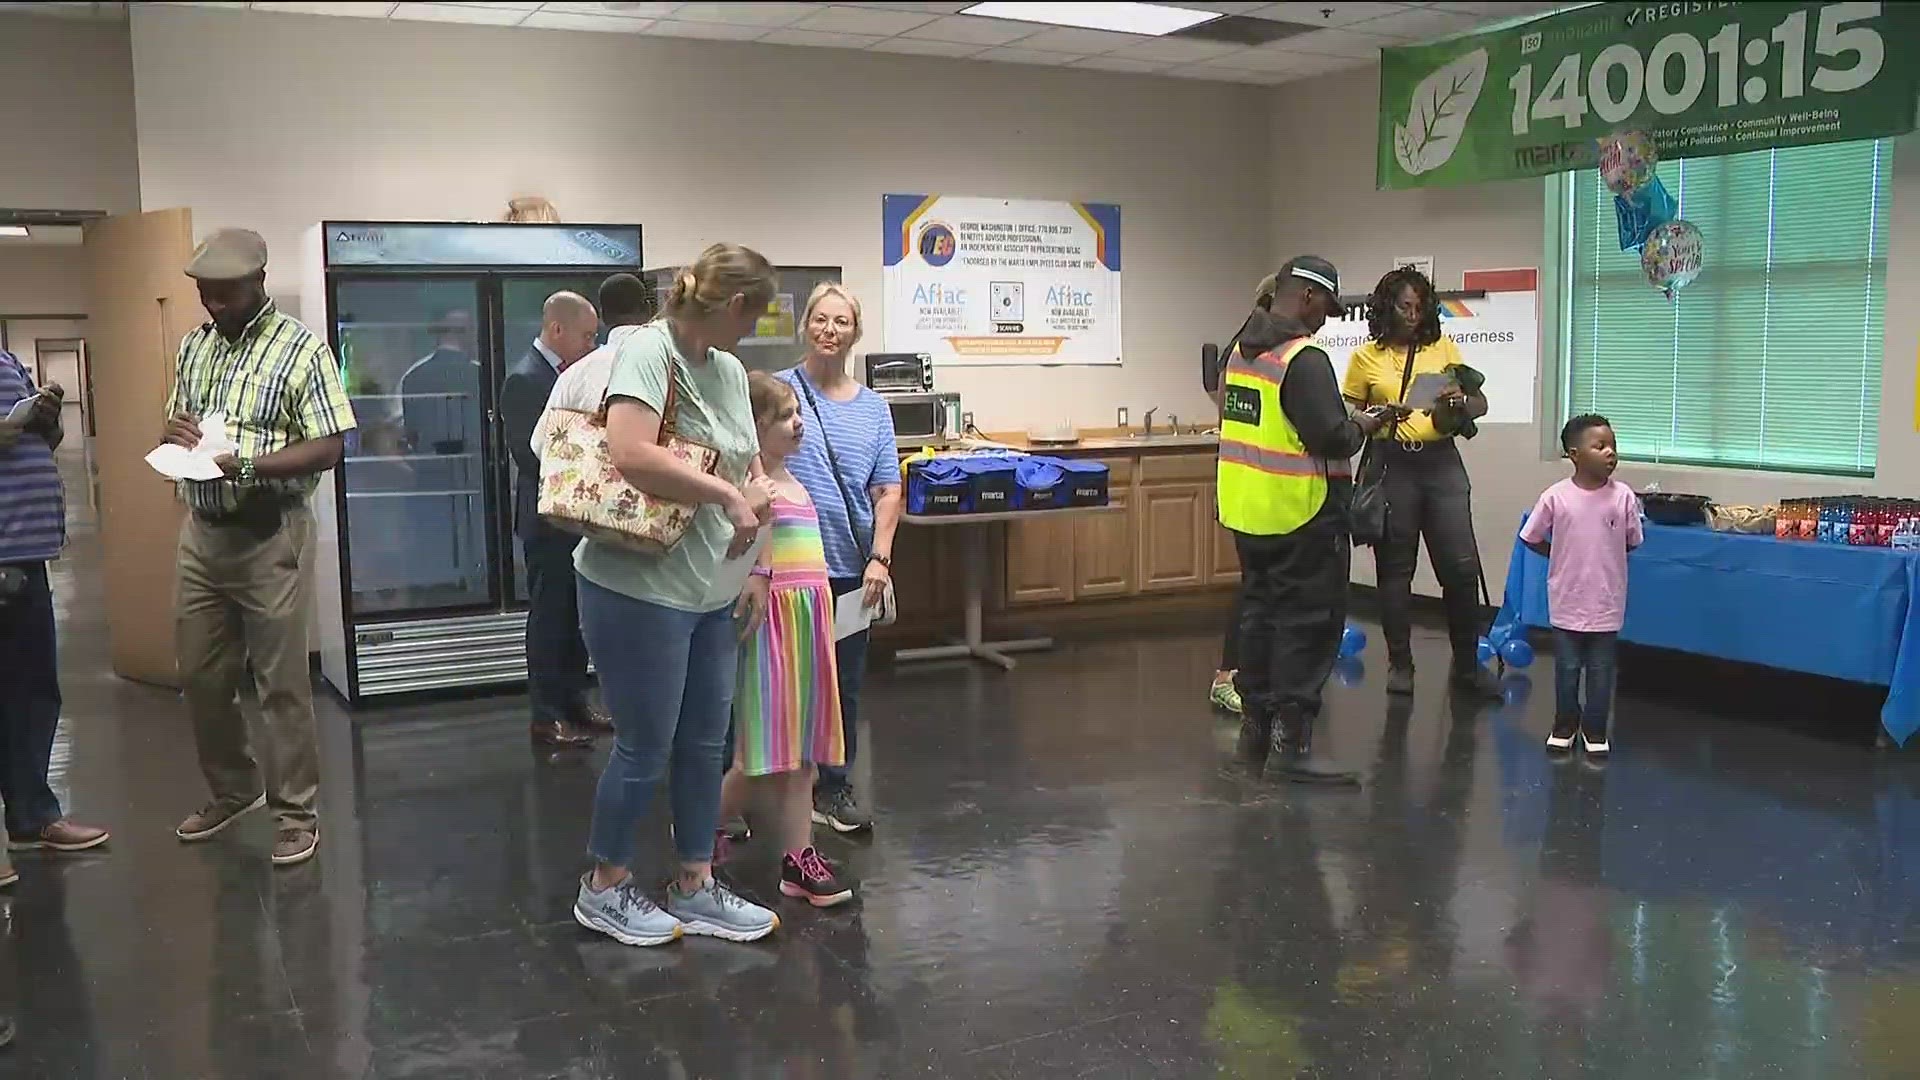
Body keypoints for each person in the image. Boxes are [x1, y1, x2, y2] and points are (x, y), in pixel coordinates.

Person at [570, 243, 782, 947]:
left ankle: (695, 882)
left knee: (703, 741)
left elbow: (751, 467)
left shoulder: (724, 371)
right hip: (639, 585)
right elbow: (631, 452)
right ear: (731, 306)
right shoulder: (647, 354)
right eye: (754, 314)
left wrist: (757, 567)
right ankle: (603, 887)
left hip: (709, 589)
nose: (752, 330)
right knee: (645, 744)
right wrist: (726, 493)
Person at [166, 228, 357, 866]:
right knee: (201, 675)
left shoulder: (301, 350)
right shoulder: (194, 346)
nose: (212, 306)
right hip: (202, 534)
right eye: (204, 295)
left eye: (225, 294)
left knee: (279, 683)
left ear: (258, 283)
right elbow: (180, 418)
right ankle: (234, 788)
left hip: (269, 531)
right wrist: (175, 431)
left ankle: (295, 812)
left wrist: (245, 466)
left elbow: (330, 443)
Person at [1217, 257, 1394, 784]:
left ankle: (1254, 740)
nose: (1327, 321)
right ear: (1309, 298)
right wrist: (1361, 423)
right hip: (1301, 514)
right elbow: (1331, 438)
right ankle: (1292, 749)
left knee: (1259, 620)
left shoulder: (1241, 349)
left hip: (1248, 510)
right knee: (1306, 627)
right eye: (1328, 309)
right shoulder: (1304, 358)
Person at [718, 373, 853, 907]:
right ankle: (704, 824)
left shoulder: (796, 482)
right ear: (753, 428)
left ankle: (799, 859)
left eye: (797, 413)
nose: (797, 424)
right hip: (770, 626)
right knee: (761, 756)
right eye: (784, 416)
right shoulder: (753, 490)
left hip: (808, 625)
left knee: (803, 755)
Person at [776, 283, 900, 835]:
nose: (830, 330)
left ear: (856, 332)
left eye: (841, 322)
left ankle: (834, 786)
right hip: (784, 568)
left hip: (852, 568)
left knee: (841, 684)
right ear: (806, 325)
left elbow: (888, 489)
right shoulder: (778, 393)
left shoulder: (874, 409)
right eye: (821, 320)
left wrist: (880, 558)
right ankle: (769, 789)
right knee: (779, 682)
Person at [1342, 266, 1496, 698]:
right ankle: (1400, 665)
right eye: (1403, 306)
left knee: (1461, 569)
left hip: (1441, 464)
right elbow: (1347, 412)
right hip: (1393, 465)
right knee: (1395, 571)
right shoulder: (1365, 357)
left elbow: (1477, 402)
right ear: (1386, 307)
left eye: (1419, 307)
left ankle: (1466, 668)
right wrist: (1376, 417)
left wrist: (1459, 401)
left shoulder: (1442, 346)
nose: (1412, 315)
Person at [0, 353, 109, 864]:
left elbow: (42, 444)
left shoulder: (7, 361)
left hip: (27, 552)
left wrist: (45, 420)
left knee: (34, 693)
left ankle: (31, 817)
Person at [500, 291, 605, 748]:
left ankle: (574, 702)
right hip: (546, 519)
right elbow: (529, 454)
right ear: (557, 330)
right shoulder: (526, 379)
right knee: (548, 617)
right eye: (586, 335)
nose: (591, 343)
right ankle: (545, 714)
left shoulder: (576, 375)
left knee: (574, 616)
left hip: (578, 515)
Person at [1519, 415, 1640, 757]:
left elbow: (1631, 540)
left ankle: (1596, 729)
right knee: (1567, 669)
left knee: (1601, 671)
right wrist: (1559, 554)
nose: (1610, 453)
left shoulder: (1624, 497)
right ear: (1574, 454)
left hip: (1606, 602)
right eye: (1600, 446)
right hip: (1567, 600)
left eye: (1613, 446)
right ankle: (1565, 724)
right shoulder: (1556, 497)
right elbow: (1531, 536)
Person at [1210, 272, 1278, 716]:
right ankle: (1228, 676)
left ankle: (1254, 675)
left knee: (1265, 588)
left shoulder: (1249, 351)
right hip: (1253, 487)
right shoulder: (1251, 354)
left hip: (1260, 488)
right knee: (1257, 586)